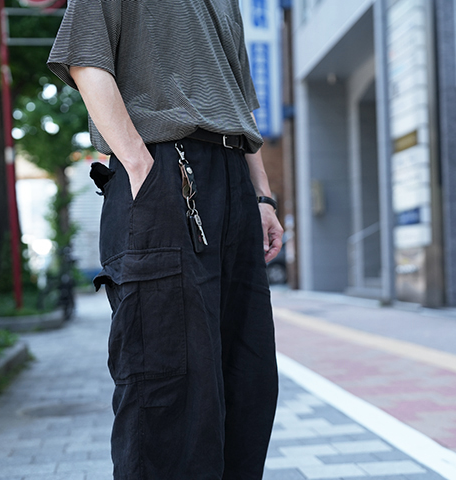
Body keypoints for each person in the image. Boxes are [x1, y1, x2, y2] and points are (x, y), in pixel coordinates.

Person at [47, 1, 282, 478]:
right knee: (168, 382)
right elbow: (85, 58)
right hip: (163, 168)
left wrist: (262, 196)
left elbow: (239, 101)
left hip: (234, 180)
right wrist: (140, 167)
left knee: (248, 380)